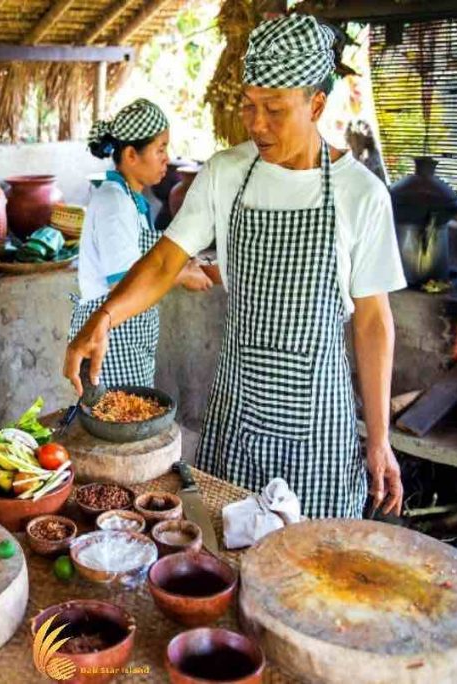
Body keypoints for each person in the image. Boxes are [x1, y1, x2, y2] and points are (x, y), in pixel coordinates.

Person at [66, 15, 406, 519]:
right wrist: (105, 318)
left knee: (307, 568)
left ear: (316, 103)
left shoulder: (361, 194)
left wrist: (378, 439)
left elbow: (374, 321)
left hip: (320, 426)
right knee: (222, 551)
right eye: (249, 105)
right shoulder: (227, 174)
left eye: (275, 109)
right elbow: (164, 261)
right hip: (238, 411)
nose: (257, 123)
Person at [70, 99, 212, 388]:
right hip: (112, 339)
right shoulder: (113, 201)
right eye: (160, 149)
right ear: (132, 154)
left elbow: (146, 259)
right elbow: (122, 282)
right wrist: (183, 274)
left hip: (130, 335)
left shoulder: (132, 200)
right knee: (120, 419)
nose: (166, 159)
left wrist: (187, 262)